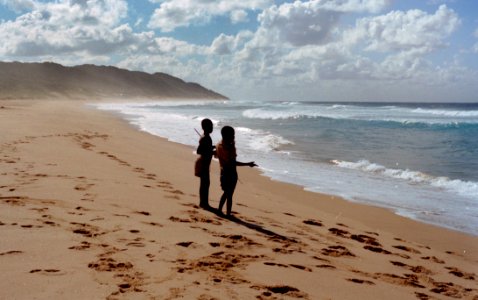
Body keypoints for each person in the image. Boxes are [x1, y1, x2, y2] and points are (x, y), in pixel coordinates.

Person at [216, 125, 257, 216]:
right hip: (231, 173)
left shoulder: (219, 145)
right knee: (229, 194)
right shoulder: (229, 149)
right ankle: (228, 213)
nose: (234, 137)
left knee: (226, 193)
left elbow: (218, 155)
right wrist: (248, 164)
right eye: (232, 135)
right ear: (227, 136)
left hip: (223, 172)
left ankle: (219, 210)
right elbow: (233, 163)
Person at [196, 118, 215, 209]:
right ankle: (203, 203)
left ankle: (204, 202)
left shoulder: (206, 137)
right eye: (210, 126)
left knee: (205, 183)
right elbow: (199, 151)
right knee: (205, 183)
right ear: (204, 127)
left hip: (206, 163)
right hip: (203, 163)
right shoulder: (205, 137)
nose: (212, 128)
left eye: (212, 126)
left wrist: (211, 147)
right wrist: (211, 151)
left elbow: (205, 148)